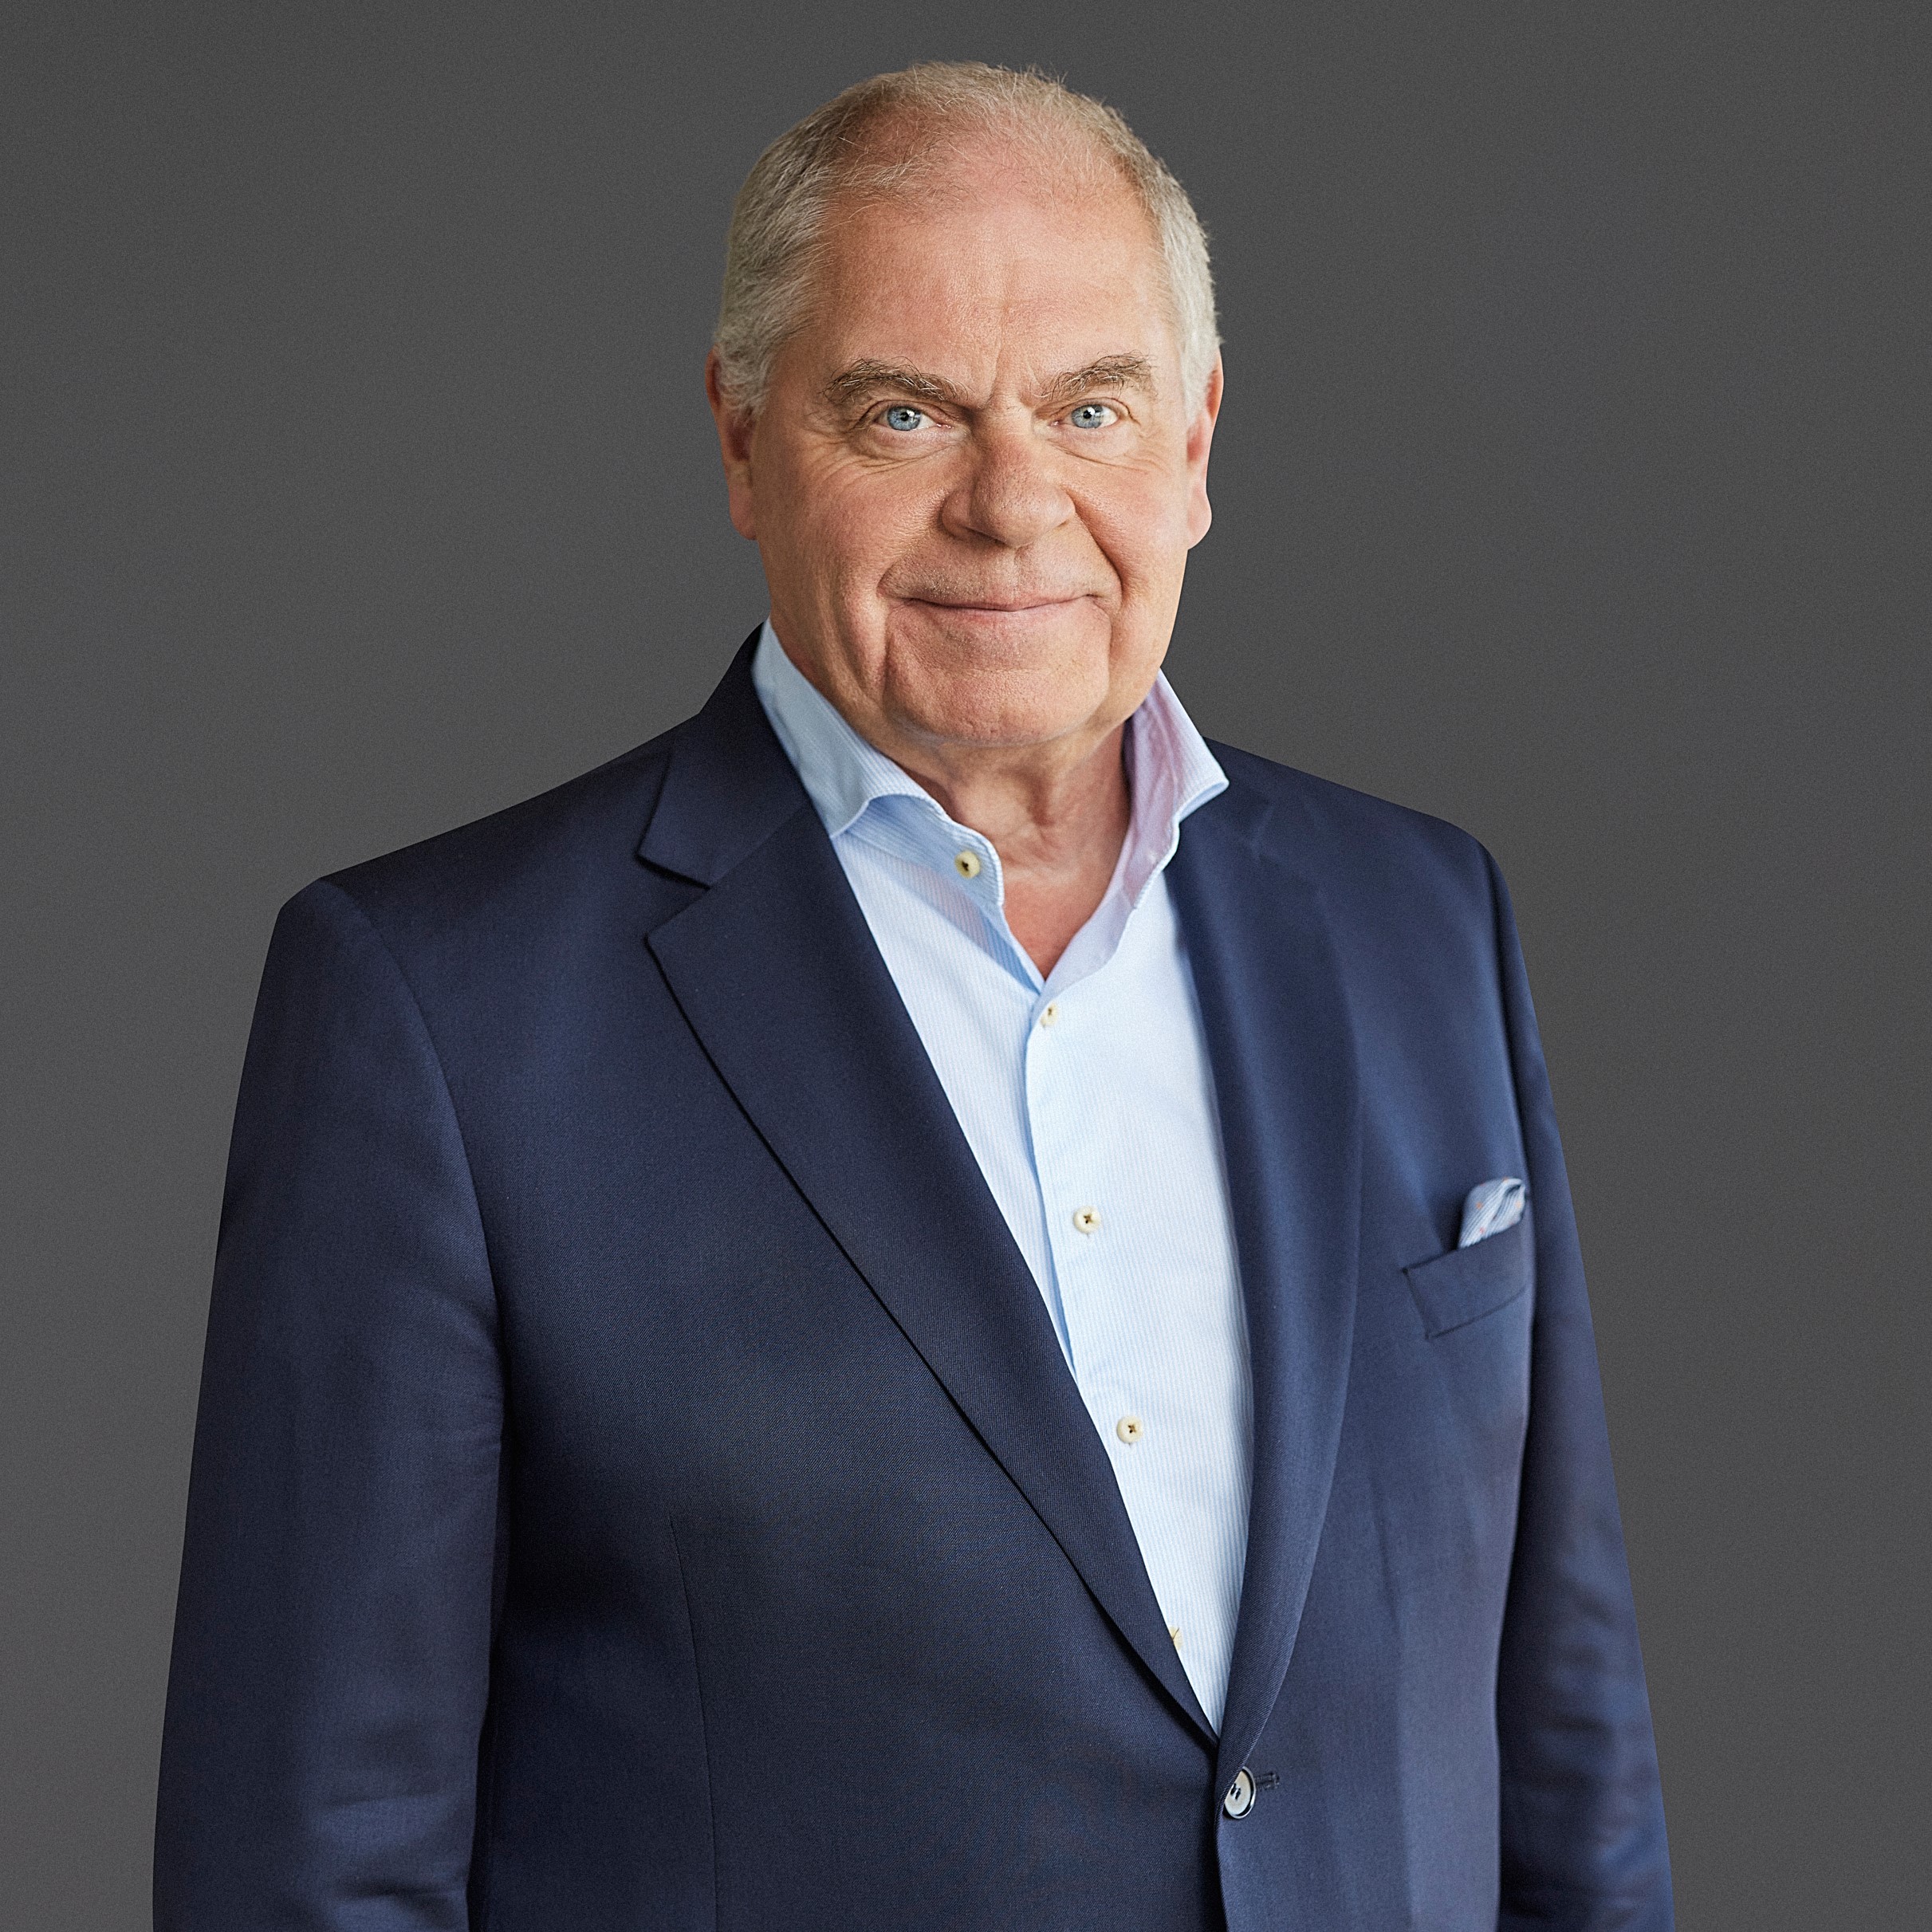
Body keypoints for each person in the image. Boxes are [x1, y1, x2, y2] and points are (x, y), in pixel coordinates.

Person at [155, 61, 1672, 1930]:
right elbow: (312, 1868)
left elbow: (1570, 1760)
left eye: (1089, 408)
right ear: (740, 439)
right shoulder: (435, 1015)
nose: (1012, 502)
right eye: (903, 413)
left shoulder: (1421, 919)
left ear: (1195, 443)